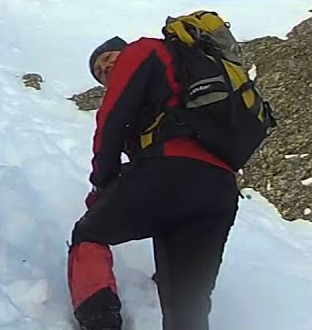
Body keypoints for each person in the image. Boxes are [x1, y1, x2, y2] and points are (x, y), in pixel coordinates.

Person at [67, 35, 240, 330]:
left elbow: (111, 119)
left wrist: (102, 183)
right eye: (98, 70)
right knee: (186, 305)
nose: (105, 67)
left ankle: (100, 320)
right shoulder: (180, 76)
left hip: (168, 171)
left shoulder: (141, 51)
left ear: (123, 50)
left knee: (89, 234)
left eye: (107, 58)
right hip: (219, 190)